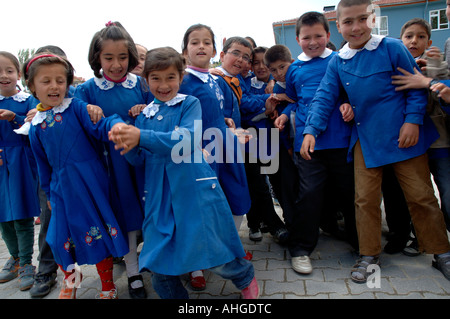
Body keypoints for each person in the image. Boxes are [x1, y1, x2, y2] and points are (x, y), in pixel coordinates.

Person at [300, 0, 450, 283]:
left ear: (372, 19)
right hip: (365, 140)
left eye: (362, 19)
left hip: (406, 137)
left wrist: (412, 120)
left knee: (421, 197)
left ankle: (442, 253)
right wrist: (311, 130)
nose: (356, 27)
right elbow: (324, 97)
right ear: (338, 25)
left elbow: (414, 86)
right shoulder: (337, 61)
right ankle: (368, 255)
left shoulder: (393, 47)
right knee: (365, 200)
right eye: (348, 22)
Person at [108, 47, 259, 299]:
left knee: (212, 252)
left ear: (180, 77)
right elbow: (141, 159)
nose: (163, 84)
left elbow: (186, 141)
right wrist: (127, 145)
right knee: (159, 263)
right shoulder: (144, 116)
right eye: (155, 78)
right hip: (159, 197)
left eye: (170, 77)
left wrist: (141, 136)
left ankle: (244, 277)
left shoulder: (190, 104)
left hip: (192, 191)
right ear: (146, 80)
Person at [24, 53, 130, 298]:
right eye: (46, 81)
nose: (54, 86)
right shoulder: (36, 126)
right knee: (57, 238)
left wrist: (115, 125)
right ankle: (72, 280)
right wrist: (49, 192)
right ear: (32, 86)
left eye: (60, 81)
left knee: (98, 233)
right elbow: (42, 164)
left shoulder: (77, 108)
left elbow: (100, 126)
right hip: (61, 190)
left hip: (91, 184)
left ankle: (107, 285)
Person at [273, 11, 357, 275]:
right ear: (298, 39)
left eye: (318, 36)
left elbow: (350, 91)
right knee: (308, 195)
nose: (312, 42)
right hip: (308, 146)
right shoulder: (295, 69)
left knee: (350, 193)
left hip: (341, 139)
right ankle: (300, 249)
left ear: (328, 36)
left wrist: (348, 103)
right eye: (306, 37)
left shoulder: (340, 60)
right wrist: (285, 115)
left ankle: (361, 243)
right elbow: (297, 101)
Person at [75, 21, 153, 299]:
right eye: (109, 58)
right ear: (97, 58)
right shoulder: (86, 90)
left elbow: (159, 108)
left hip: (143, 163)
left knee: (152, 213)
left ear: (131, 56)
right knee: (127, 218)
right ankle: (133, 273)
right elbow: (64, 108)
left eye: (122, 57)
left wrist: (147, 107)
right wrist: (85, 109)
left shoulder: (142, 84)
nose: (117, 64)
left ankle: (160, 263)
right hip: (111, 169)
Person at [178, 24, 252, 291]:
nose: (201, 47)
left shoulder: (216, 79)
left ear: (214, 49)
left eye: (206, 42)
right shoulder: (182, 80)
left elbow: (217, 110)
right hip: (199, 152)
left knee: (236, 196)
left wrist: (225, 121)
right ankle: (196, 264)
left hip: (226, 146)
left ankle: (232, 248)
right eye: (194, 42)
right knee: (199, 206)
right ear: (184, 49)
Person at [391, 18, 450, 256]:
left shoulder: (439, 67)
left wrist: (433, 72)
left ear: (429, 41)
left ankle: (440, 242)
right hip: (413, 144)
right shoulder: (397, 66)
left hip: (441, 143)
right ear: (401, 40)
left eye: (421, 36)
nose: (414, 40)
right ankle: (421, 237)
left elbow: (444, 97)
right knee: (418, 194)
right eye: (409, 36)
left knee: (445, 193)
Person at [0, 51, 40, 291]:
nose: (4, 76)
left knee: (22, 214)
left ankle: (26, 261)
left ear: (19, 74)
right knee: (3, 215)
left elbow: (34, 125)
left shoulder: (27, 101)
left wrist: (15, 118)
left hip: (21, 163)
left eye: (9, 70)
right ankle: (14, 258)